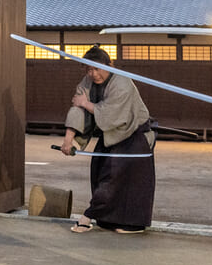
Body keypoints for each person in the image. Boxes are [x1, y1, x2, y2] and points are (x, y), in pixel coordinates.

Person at [62, 46, 155, 234]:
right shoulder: (87, 82)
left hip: (134, 135)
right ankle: (107, 220)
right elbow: (77, 108)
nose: (93, 74)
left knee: (114, 177)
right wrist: (68, 140)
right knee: (99, 168)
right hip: (111, 135)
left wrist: (86, 104)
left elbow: (110, 114)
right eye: (89, 69)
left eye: (97, 68)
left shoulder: (122, 83)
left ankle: (94, 218)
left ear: (109, 65)